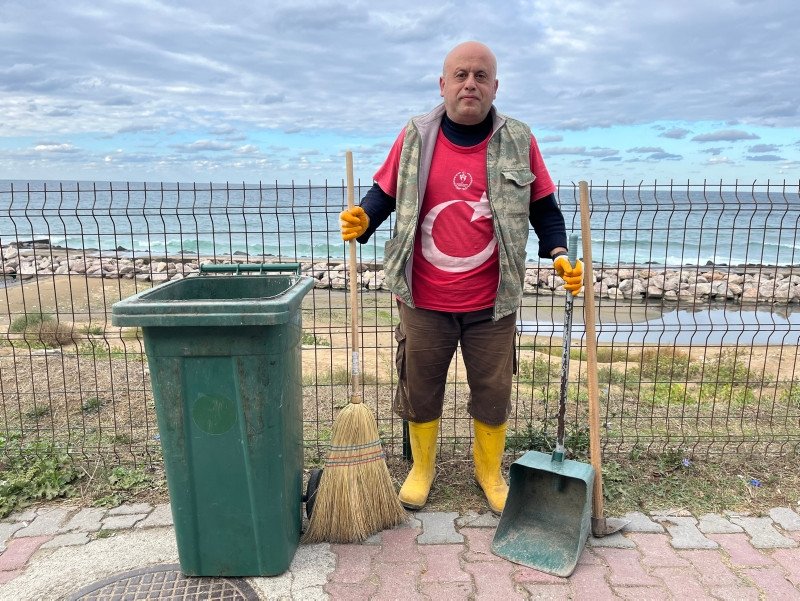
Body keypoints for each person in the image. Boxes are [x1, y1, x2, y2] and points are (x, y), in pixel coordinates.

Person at [339, 41, 583, 515]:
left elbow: (544, 209)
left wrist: (559, 253)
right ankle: (421, 469)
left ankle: (489, 473)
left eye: (480, 75)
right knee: (421, 386)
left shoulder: (519, 138)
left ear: (495, 86)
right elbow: (383, 193)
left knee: (493, 392)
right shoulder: (414, 135)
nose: (469, 83)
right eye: (460, 75)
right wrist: (364, 219)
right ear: (443, 83)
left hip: (493, 301)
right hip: (423, 297)